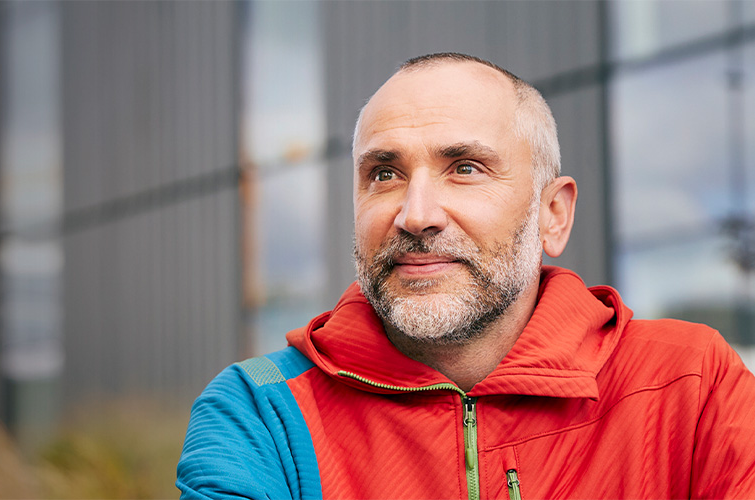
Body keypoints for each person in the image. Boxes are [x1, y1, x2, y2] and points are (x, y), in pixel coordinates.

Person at [176, 52, 755, 499]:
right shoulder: (262, 412)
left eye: (466, 168)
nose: (417, 214)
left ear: (553, 215)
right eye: (383, 173)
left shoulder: (690, 383)